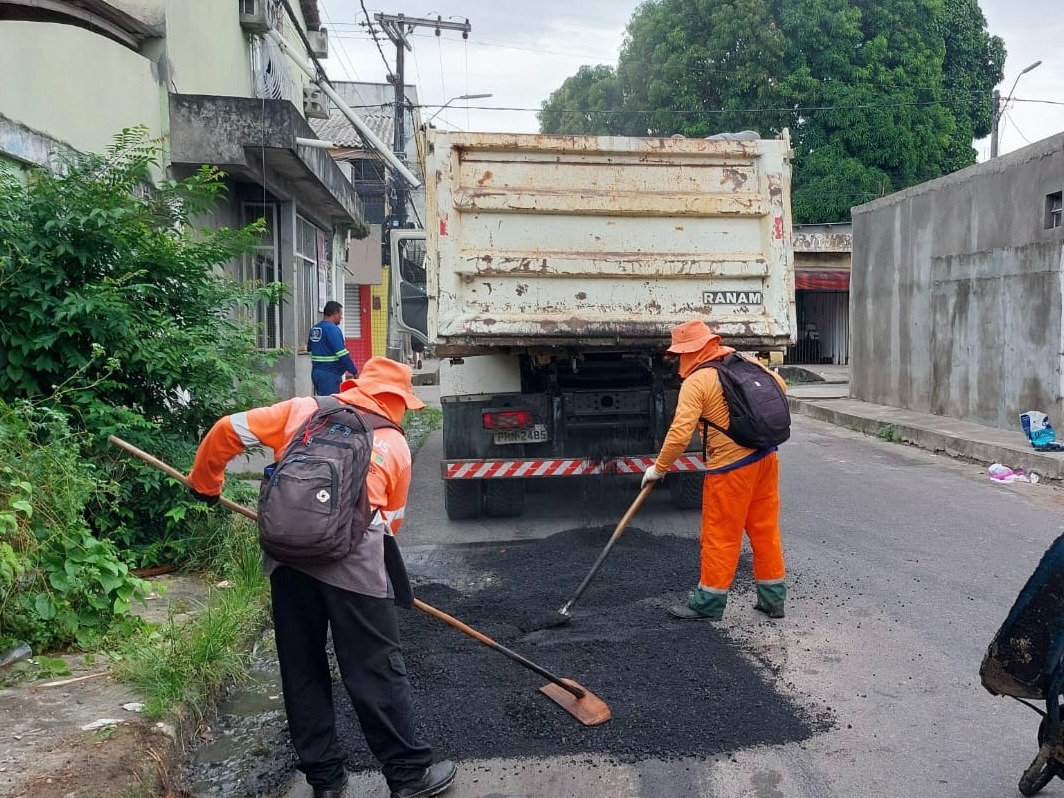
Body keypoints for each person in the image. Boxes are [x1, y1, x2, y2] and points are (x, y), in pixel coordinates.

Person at [187, 357, 457, 798]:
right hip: (353, 568)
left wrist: (206, 486)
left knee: (302, 668)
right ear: (400, 402)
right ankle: (409, 777)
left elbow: (226, 430)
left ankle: (325, 782)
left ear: (357, 387)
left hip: (288, 559)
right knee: (374, 669)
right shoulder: (394, 444)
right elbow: (390, 525)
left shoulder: (300, 411)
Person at [641, 319, 788, 621]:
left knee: (720, 535)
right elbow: (780, 388)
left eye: (679, 354)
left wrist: (659, 468)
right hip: (765, 458)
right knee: (765, 530)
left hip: (730, 469)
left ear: (688, 352)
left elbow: (680, 433)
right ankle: (773, 601)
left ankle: (708, 603)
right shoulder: (746, 363)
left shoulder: (698, 381)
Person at [308, 301, 359, 396]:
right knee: (330, 406)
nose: (341, 317)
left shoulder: (315, 329)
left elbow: (310, 348)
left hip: (316, 373)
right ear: (335, 314)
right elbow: (342, 354)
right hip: (329, 375)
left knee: (322, 403)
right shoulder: (332, 329)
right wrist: (354, 371)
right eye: (340, 314)